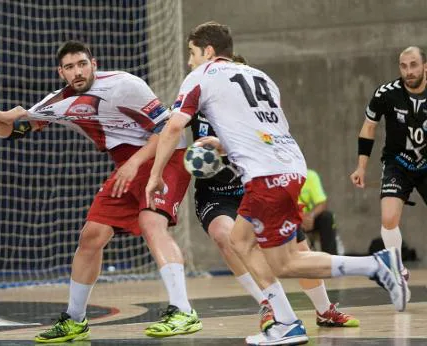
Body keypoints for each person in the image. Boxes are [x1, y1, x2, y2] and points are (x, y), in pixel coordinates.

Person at [146, 22, 406, 345]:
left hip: (265, 176)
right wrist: (223, 145)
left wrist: (155, 175)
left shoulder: (201, 76)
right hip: (289, 166)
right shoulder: (261, 78)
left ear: (208, 51)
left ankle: (374, 266)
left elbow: (172, 130)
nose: (189, 61)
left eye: (191, 53)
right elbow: (271, 131)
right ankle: (285, 319)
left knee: (286, 262)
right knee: (240, 240)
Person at [0, 40, 202, 343]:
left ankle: (183, 311)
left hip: (166, 157)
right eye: (69, 67)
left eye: (82, 64)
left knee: (150, 222)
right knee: (91, 235)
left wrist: (135, 166)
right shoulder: (58, 101)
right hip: (127, 165)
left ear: (94, 63)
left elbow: (168, 130)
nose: (77, 72)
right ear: (60, 72)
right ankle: (75, 320)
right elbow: (17, 128)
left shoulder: (125, 85)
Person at [186, 48, 357, 332]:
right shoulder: (198, 100)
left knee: (299, 249)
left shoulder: (256, 112)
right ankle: (268, 303)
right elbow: (168, 128)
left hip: (254, 185)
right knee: (226, 236)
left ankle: (325, 310)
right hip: (215, 193)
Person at [350, 46, 427, 297]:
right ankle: (397, 269)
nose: (409, 71)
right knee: (389, 217)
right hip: (398, 163)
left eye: (414, 65)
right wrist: (361, 167)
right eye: (403, 66)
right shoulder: (386, 93)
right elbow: (369, 127)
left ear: (425, 66)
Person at [299, 169, 339, 255]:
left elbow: (322, 202)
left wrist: (311, 216)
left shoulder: (310, 175)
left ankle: (331, 259)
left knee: (327, 217)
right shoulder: (278, 177)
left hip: (307, 218)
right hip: (290, 218)